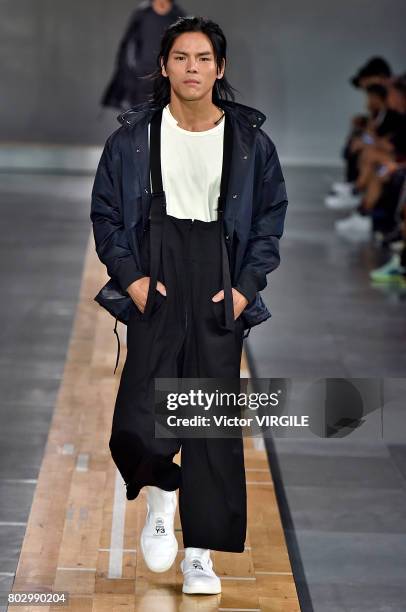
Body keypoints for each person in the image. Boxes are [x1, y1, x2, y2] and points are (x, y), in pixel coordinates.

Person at [91, 16, 288, 595]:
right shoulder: (133, 138)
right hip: (155, 276)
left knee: (208, 423)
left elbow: (270, 219)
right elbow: (106, 212)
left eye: (203, 58)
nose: (192, 68)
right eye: (181, 57)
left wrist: (247, 287)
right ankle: (160, 497)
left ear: (219, 69)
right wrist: (130, 279)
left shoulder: (251, 143)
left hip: (219, 280)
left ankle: (198, 554)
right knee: (137, 414)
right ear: (164, 66)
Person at [101, 0, 185, 110]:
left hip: (168, 81)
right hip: (140, 80)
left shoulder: (179, 18)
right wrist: (131, 73)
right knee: (140, 120)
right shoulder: (141, 15)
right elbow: (127, 47)